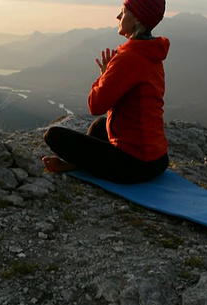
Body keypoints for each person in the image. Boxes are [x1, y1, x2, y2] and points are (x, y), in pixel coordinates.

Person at [42, 0, 170, 184]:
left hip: (137, 166)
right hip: (158, 158)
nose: (118, 16)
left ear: (137, 19)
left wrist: (103, 77)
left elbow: (95, 105)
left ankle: (77, 165)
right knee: (99, 126)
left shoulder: (128, 58)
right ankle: (78, 164)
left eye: (123, 12)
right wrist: (109, 76)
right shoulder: (152, 55)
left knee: (53, 136)